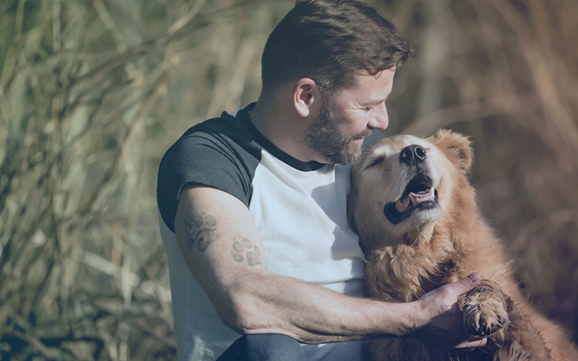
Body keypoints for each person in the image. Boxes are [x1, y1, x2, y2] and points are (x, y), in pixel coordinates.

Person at [157, 1, 487, 360]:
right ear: (306, 97)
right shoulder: (213, 159)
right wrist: (414, 317)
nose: (382, 121)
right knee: (270, 348)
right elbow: (246, 300)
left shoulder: (366, 157)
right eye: (366, 106)